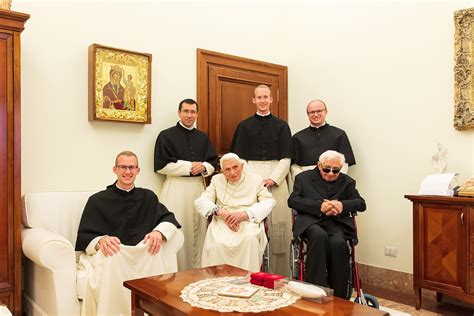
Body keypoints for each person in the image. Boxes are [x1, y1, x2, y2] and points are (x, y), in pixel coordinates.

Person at [75, 150, 181, 315]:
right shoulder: (97, 200)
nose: (127, 172)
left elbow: (168, 218)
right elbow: (85, 235)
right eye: (123, 167)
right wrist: (101, 240)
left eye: (132, 167)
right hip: (114, 255)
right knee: (113, 255)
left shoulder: (148, 197)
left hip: (142, 254)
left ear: (138, 171)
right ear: (114, 169)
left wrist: (158, 233)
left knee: (153, 250)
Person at [230, 84, 293, 276]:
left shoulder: (282, 126)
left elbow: (287, 157)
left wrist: (273, 179)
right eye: (259, 97)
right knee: (250, 225)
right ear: (254, 100)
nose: (263, 101)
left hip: (277, 176)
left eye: (266, 97)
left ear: (271, 99)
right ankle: (251, 275)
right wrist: (255, 181)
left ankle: (280, 277)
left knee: (279, 227)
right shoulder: (244, 126)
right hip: (251, 176)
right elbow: (239, 159)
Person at [288, 150, 366, 298]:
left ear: (341, 168)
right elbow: (293, 201)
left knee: (338, 243)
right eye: (326, 169)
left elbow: (361, 204)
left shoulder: (347, 182)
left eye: (335, 170)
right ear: (319, 165)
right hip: (311, 222)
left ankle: (339, 296)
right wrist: (319, 206)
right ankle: (317, 291)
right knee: (319, 236)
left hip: (336, 224)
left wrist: (342, 205)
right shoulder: (303, 178)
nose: (330, 173)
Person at [154, 98, 218, 271]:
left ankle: (197, 271)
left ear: (197, 114)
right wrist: (190, 166)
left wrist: (204, 166)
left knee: (197, 232)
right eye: (186, 111)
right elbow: (160, 166)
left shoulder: (203, 138)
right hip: (176, 188)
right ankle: (174, 271)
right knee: (175, 228)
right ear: (179, 113)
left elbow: (213, 162)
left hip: (198, 187)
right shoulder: (166, 135)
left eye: (193, 112)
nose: (190, 115)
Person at [194, 153, 276, 272]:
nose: (232, 172)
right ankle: (217, 282)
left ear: (242, 166)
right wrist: (221, 212)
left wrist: (246, 213)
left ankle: (247, 281)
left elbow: (269, 201)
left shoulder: (255, 179)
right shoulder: (216, 180)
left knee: (249, 239)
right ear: (221, 171)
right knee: (217, 243)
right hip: (223, 221)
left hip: (248, 220)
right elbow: (201, 201)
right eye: (227, 169)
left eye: (235, 167)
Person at [291, 99, 356, 181]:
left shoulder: (339, 134)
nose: (315, 114)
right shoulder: (298, 137)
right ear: (307, 114)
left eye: (319, 111)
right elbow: (294, 166)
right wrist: (303, 181)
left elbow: (345, 163)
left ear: (326, 112)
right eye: (312, 112)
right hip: (306, 181)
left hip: (333, 178)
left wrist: (336, 181)